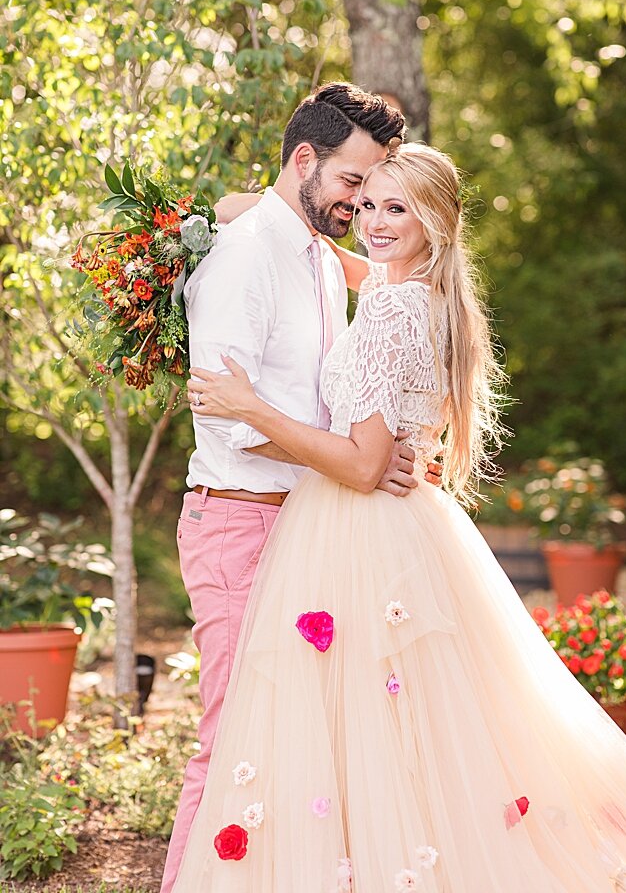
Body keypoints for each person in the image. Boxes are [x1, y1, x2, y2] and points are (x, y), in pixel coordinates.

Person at [174, 144, 626, 890]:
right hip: (402, 530)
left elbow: (361, 464)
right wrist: (248, 212)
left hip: (356, 527)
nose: (371, 223)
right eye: (368, 202)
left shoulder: (392, 314)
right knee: (409, 733)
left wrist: (251, 407)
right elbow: (352, 264)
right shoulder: (422, 295)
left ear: (433, 223)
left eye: (394, 208)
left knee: (358, 730)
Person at [162, 82, 412, 893]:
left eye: (373, 189)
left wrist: (369, 453)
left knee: (301, 748)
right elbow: (234, 421)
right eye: (351, 184)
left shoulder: (308, 249)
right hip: (240, 527)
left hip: (306, 527)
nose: (360, 203)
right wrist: (350, 460)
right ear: (304, 159)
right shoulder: (245, 260)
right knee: (231, 737)